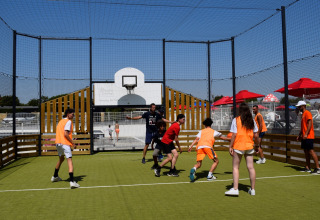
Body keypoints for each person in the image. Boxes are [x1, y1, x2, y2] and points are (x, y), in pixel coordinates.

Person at [225, 103, 259, 196]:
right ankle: (252, 190)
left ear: (240, 110)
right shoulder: (252, 120)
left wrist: (230, 146)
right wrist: (257, 146)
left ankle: (235, 189)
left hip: (238, 146)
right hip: (249, 146)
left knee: (236, 167)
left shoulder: (236, 120)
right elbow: (256, 135)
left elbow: (234, 134)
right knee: (251, 167)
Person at [51, 108, 80, 189]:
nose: (73, 116)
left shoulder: (60, 121)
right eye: (72, 114)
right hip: (65, 143)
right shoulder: (68, 121)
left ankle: (55, 176)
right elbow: (66, 134)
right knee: (69, 160)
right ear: (68, 114)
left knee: (61, 159)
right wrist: (73, 143)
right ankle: (72, 182)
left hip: (58, 143)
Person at [296, 101, 320, 174]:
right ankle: (308, 167)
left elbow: (309, 124)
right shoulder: (303, 114)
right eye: (298, 107)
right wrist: (300, 135)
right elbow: (303, 126)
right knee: (306, 152)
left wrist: (306, 134)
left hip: (309, 136)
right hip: (304, 136)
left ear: (303, 106)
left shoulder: (307, 113)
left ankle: (318, 168)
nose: (298, 108)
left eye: (299, 106)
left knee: (311, 151)